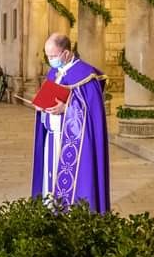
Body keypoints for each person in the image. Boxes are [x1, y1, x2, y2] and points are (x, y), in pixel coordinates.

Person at [31, 33, 110, 213]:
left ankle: (70, 215)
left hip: (74, 141)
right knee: (50, 179)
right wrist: (42, 107)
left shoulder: (85, 75)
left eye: (53, 56)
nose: (50, 60)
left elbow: (92, 111)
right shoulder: (54, 73)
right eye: (48, 56)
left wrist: (66, 109)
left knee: (70, 182)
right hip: (52, 137)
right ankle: (51, 210)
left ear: (66, 53)